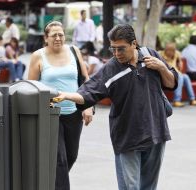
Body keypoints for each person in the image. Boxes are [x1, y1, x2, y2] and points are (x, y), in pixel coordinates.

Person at [54, 24, 178, 190]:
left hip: (156, 131)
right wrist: (66, 95)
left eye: (121, 49)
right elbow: (88, 91)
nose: (117, 54)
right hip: (128, 137)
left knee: (149, 186)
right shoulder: (111, 68)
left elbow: (171, 83)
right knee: (130, 187)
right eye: (113, 49)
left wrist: (162, 67)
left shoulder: (150, 55)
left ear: (134, 44)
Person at [28, 21, 93, 190]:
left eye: (61, 35)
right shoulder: (38, 56)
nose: (58, 38)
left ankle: (48, 183)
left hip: (73, 114)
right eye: (54, 35)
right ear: (46, 38)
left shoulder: (74, 51)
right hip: (50, 114)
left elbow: (86, 81)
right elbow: (31, 87)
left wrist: (87, 106)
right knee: (59, 160)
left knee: (71, 155)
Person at [159, 42, 196, 107]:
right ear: (165, 50)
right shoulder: (161, 55)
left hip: (175, 74)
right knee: (180, 76)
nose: (170, 52)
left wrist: (180, 61)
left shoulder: (176, 54)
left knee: (186, 76)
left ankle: (192, 99)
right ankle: (176, 100)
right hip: (166, 75)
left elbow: (180, 65)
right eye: (168, 50)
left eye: (172, 51)